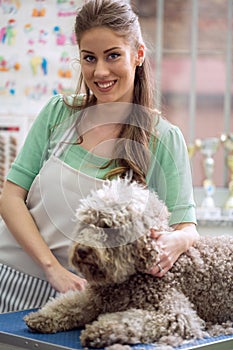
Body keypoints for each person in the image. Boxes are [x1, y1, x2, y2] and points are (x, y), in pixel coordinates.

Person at [0, 0, 199, 313]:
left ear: (139, 54)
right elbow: (11, 197)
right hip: (13, 281)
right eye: (89, 58)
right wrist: (52, 268)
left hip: (85, 301)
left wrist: (181, 241)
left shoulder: (163, 138)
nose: (100, 71)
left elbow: (186, 227)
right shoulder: (58, 113)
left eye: (113, 55)